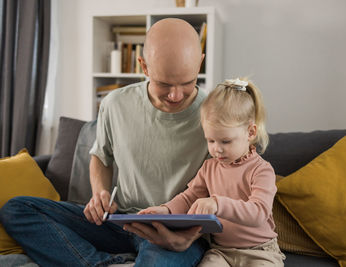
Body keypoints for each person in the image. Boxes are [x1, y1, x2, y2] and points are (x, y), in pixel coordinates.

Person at [0, 18, 210, 267]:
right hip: (121, 222)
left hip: (177, 230)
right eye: (164, 84)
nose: (175, 95)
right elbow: (101, 155)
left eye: (187, 83)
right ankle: (101, 264)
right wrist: (100, 193)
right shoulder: (115, 104)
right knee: (17, 209)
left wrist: (189, 237)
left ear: (200, 62)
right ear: (143, 66)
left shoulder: (217, 114)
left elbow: (228, 187)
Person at [138, 78, 286, 266]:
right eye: (211, 140)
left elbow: (258, 213)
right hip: (221, 251)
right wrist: (165, 209)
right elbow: (189, 197)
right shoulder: (209, 167)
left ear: (250, 132)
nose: (217, 149)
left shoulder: (261, 170)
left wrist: (217, 203)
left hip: (260, 251)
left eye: (225, 141)